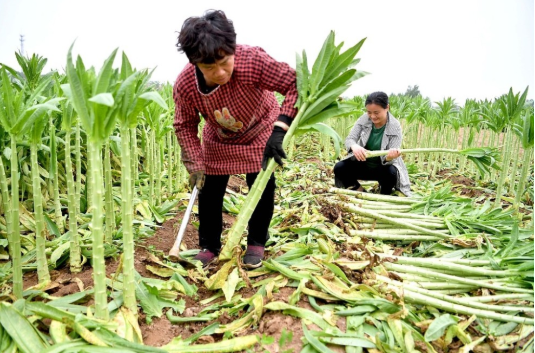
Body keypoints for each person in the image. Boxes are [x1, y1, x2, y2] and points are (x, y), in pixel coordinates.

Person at [173, 10, 298, 269]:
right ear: (194, 62)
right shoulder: (185, 84)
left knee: (261, 184)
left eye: (225, 62)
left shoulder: (252, 60)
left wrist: (280, 130)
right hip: (219, 136)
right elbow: (184, 125)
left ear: (233, 50)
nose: (220, 72)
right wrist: (194, 164)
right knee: (208, 190)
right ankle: (209, 246)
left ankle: (256, 242)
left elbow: (295, 83)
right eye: (209, 67)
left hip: (262, 128)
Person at [333, 92, 411, 196]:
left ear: (387, 107)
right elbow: (350, 139)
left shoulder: (395, 126)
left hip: (381, 169)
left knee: (392, 172)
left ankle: (384, 194)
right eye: (369, 112)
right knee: (339, 167)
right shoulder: (364, 119)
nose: (372, 116)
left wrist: (389, 157)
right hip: (362, 164)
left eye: (376, 112)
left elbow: (392, 157)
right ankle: (358, 190)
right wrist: (354, 146)